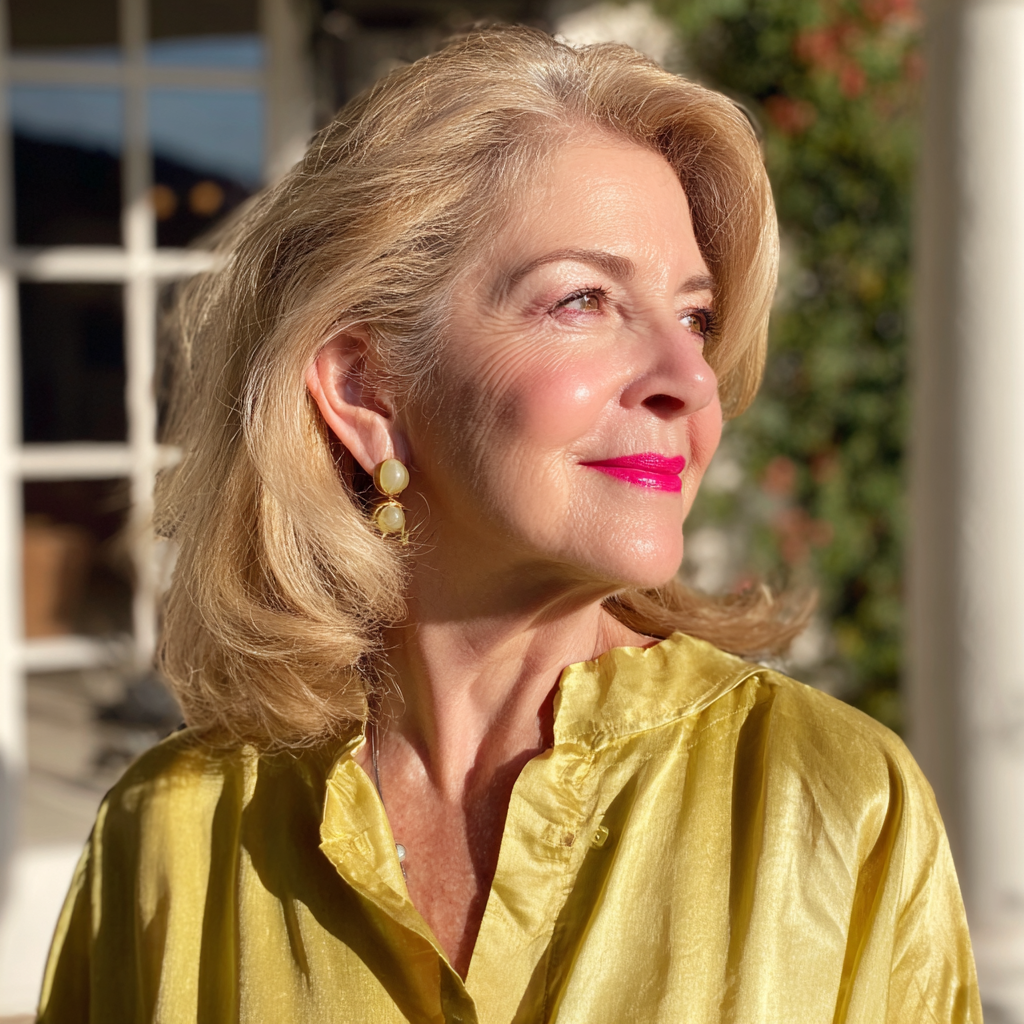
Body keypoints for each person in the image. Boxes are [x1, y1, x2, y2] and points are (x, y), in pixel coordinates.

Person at [38, 26, 980, 1024]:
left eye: (695, 318)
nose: (690, 380)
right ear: (367, 387)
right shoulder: (175, 836)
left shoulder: (827, 803)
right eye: (584, 300)